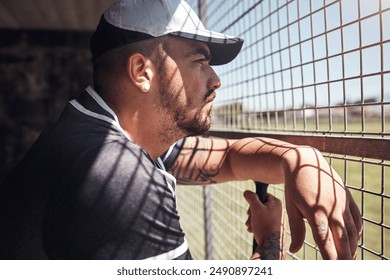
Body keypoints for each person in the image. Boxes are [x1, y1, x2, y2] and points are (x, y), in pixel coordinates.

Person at [0, 0, 361, 260]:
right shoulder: (114, 174)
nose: (216, 80)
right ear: (142, 72)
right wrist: (268, 240)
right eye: (199, 61)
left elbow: (228, 159)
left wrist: (297, 158)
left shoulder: (104, 129)